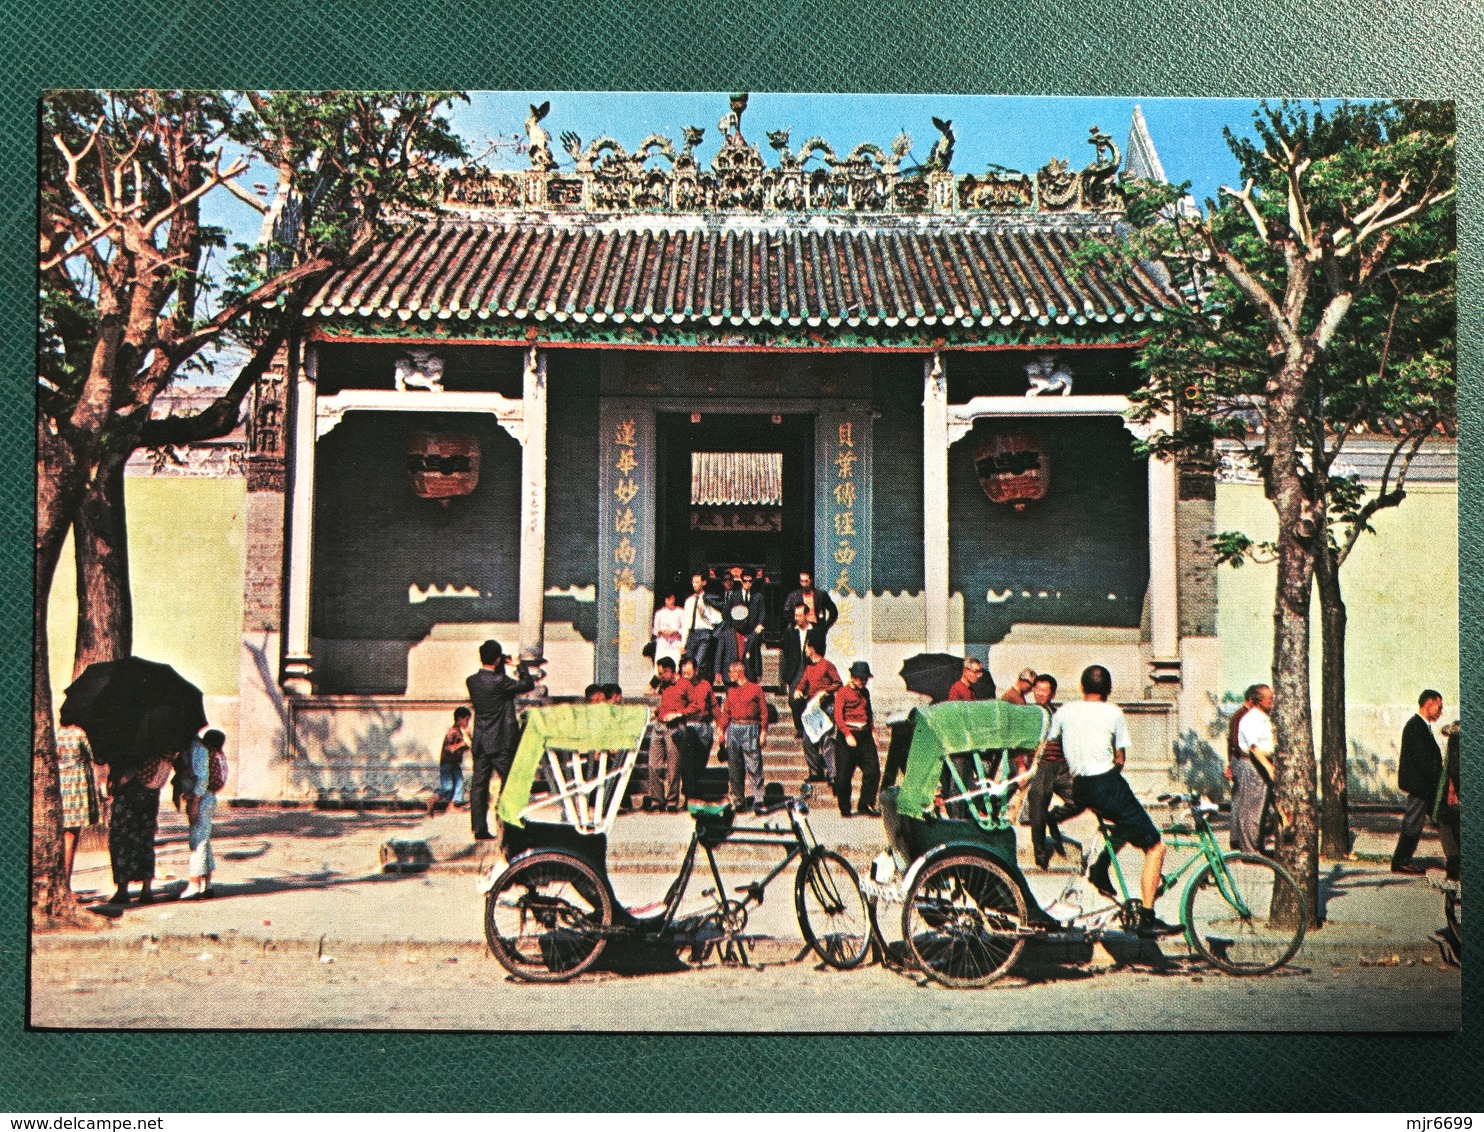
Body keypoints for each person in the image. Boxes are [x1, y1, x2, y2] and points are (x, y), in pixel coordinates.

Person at [1049, 664, 1177, 938]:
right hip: (1106, 782)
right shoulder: (1113, 712)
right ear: (1109, 690)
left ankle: (1100, 867)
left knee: (1124, 823)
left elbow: (1052, 745)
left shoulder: (1065, 711)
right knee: (1155, 846)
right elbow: (1120, 759)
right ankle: (1147, 916)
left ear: (1082, 688)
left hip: (1079, 785)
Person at [465, 639, 536, 845]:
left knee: (479, 785)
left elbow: (498, 684)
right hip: (501, 741)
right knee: (509, 782)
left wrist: (501, 664)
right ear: (497, 659)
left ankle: (478, 828)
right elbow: (527, 684)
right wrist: (519, 665)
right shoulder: (500, 682)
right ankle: (508, 823)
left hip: (480, 739)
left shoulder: (472, 681)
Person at [1024, 674, 1079, 869]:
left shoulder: (1058, 715)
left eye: (1044, 690)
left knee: (1081, 798)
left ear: (1052, 694)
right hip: (1041, 767)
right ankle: (1040, 851)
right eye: (1037, 689)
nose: (1039, 694)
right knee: (1037, 804)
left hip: (1061, 766)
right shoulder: (1028, 714)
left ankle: (1053, 817)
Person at [1391, 689, 1447, 875]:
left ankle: (1455, 857)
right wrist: (1438, 778)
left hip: (1424, 784)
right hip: (1420, 785)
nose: (1441, 712)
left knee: (1436, 820)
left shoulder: (1421, 726)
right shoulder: (1416, 726)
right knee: (1413, 822)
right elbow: (1423, 760)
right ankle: (1401, 861)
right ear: (1429, 704)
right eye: (1439, 707)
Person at [105, 754, 167, 906]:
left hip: (127, 798)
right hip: (149, 796)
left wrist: (119, 782)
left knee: (121, 842)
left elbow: (126, 773)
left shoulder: (130, 745)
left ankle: (122, 890)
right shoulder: (157, 747)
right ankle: (146, 890)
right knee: (145, 842)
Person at [180, 729, 226, 899]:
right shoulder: (208, 750)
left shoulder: (198, 748)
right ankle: (208, 884)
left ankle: (194, 884)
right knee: (204, 840)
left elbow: (202, 778)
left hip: (202, 798)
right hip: (208, 797)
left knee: (197, 841)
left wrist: (195, 804)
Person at [55, 723, 102, 893]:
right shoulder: (79, 733)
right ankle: (66, 884)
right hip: (76, 789)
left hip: (59, 786)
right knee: (70, 837)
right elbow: (91, 755)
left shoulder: (56, 733)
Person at [1231, 684, 1276, 857]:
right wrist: (1268, 767)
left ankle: (1258, 846)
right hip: (1253, 765)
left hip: (1262, 763)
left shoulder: (1264, 718)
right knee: (1252, 810)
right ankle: (1249, 851)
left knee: (1264, 809)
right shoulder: (1251, 719)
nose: (1272, 701)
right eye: (1269, 698)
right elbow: (1254, 748)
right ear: (1258, 701)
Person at [719, 659, 768, 812]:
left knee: (754, 765)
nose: (728, 675)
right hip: (734, 728)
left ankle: (759, 799)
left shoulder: (755, 689)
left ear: (738, 672)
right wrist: (721, 729)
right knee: (734, 766)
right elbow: (726, 712)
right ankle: (738, 799)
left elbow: (764, 712)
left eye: (730, 672)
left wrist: (763, 732)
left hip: (751, 727)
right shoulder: (731, 691)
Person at [793, 632, 842, 784]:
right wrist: (799, 691)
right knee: (808, 740)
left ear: (812, 648)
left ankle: (833, 774)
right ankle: (815, 771)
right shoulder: (808, 668)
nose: (805, 651)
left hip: (826, 707)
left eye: (807, 647)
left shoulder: (827, 665)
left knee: (827, 740)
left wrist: (826, 691)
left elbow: (838, 683)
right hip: (813, 708)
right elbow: (802, 684)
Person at [834, 661, 881, 818]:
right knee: (843, 776)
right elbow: (838, 717)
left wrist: (873, 731)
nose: (863, 682)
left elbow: (869, 713)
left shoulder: (865, 693)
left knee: (873, 771)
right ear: (853, 677)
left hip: (864, 735)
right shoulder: (843, 693)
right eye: (861, 679)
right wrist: (847, 734)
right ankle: (845, 807)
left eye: (865, 679)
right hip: (847, 736)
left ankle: (865, 804)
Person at [646, 657, 693, 812]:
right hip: (660, 726)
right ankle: (657, 800)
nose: (660, 676)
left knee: (673, 767)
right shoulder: (664, 685)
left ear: (670, 671)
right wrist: (658, 711)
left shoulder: (685, 684)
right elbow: (665, 701)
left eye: (662, 673)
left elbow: (696, 705)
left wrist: (679, 713)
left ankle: (672, 800)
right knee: (654, 764)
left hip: (675, 728)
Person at [718, 567, 767, 683]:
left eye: (750, 581)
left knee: (752, 657)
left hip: (752, 632)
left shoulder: (758, 596)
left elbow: (762, 613)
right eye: (745, 581)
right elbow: (727, 613)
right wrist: (731, 630)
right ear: (741, 581)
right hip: (737, 631)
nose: (747, 584)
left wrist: (759, 625)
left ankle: (752, 676)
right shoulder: (734, 596)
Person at [680, 655, 718, 802]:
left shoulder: (705, 685)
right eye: (684, 673)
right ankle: (690, 793)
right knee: (688, 760)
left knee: (701, 760)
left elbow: (714, 706)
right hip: (687, 726)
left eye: (689, 673)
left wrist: (721, 724)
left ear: (696, 671)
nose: (686, 676)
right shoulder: (679, 686)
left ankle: (692, 787)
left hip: (704, 726)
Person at [680, 572, 722, 682]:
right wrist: (683, 643)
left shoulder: (708, 599)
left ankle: (699, 687)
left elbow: (717, 620)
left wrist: (704, 614)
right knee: (688, 663)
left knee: (699, 662)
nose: (695, 585)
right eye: (693, 582)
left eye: (697, 582)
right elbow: (686, 622)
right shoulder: (689, 601)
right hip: (692, 634)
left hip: (704, 632)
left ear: (704, 583)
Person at [432, 706, 472, 815]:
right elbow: (449, 748)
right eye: (467, 720)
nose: (468, 723)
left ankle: (451, 806)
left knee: (459, 784)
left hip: (455, 763)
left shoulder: (459, 732)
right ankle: (431, 801)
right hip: (447, 763)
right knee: (447, 787)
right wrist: (461, 744)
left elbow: (467, 746)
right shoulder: (453, 731)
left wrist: (467, 740)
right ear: (459, 719)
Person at [782, 570, 837, 642]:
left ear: (811, 580)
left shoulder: (820, 595)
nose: (803, 584)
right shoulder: (793, 596)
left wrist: (825, 627)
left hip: (816, 629)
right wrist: (796, 621)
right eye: (801, 581)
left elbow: (833, 611)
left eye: (806, 581)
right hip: (799, 629)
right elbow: (786, 612)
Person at [651, 592, 686, 675]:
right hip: (663, 642)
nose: (670, 601)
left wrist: (675, 632)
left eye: (671, 599)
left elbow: (684, 628)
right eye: (668, 599)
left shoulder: (680, 612)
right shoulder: (659, 613)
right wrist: (661, 632)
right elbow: (655, 630)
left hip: (675, 642)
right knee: (660, 665)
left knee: (674, 664)